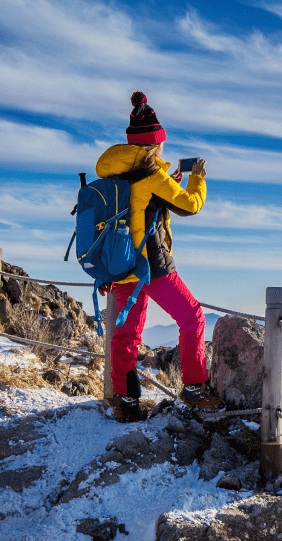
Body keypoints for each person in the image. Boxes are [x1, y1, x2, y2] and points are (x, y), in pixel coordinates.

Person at [95, 90, 222, 422]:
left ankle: (125, 402)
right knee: (192, 317)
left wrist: (169, 182)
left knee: (127, 333)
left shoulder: (115, 171)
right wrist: (197, 179)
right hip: (151, 264)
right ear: (154, 144)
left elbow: (140, 204)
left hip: (120, 262)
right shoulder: (152, 174)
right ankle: (194, 387)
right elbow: (190, 205)